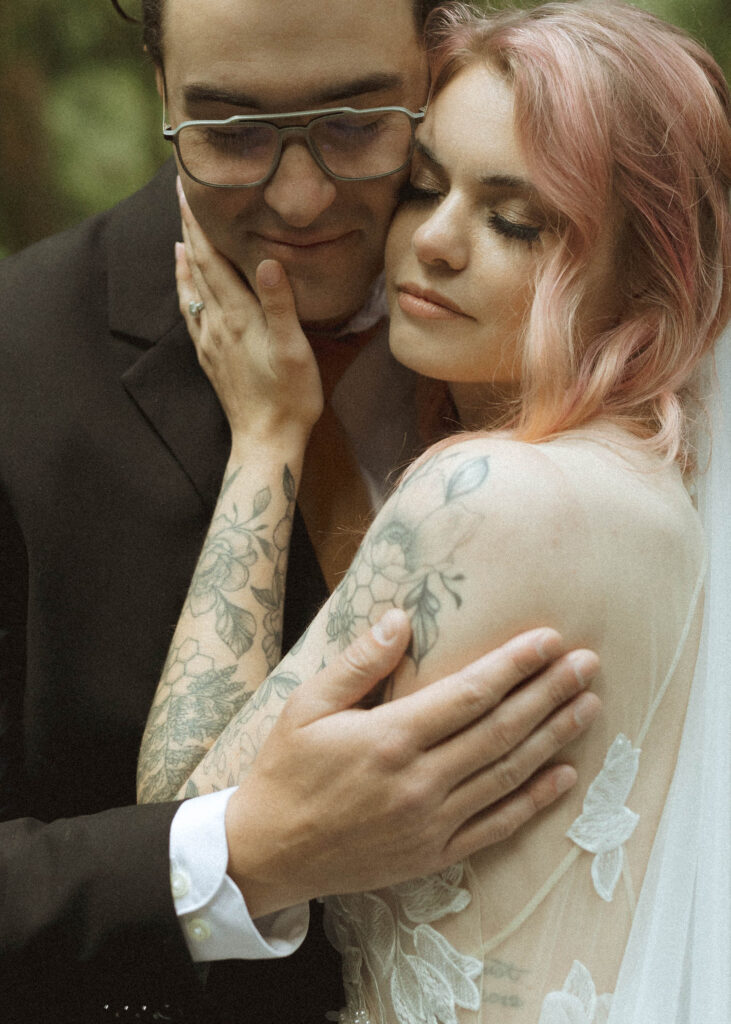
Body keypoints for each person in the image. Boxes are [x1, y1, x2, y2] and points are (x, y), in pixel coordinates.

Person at [0, 0, 601, 1020]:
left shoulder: (595, 305)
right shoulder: (19, 360)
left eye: (357, 123)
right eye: (230, 132)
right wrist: (237, 855)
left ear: (433, 62)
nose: (301, 192)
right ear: (159, 87)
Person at [138, 1, 731, 1021]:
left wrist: (267, 438)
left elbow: (186, 825)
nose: (435, 244)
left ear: (648, 272)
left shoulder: (484, 489)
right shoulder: (659, 497)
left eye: (515, 219)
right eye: (424, 189)